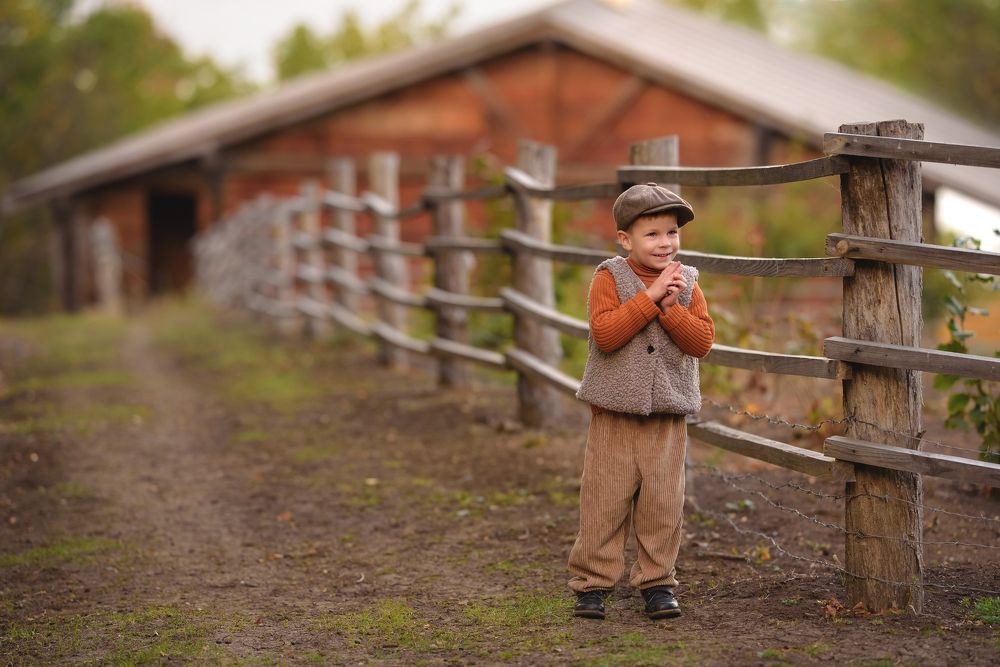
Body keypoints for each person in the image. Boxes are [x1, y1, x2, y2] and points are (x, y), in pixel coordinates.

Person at [569, 182, 715, 621]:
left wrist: (671, 308)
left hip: (667, 415)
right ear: (625, 239)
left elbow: (702, 342)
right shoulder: (608, 278)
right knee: (604, 501)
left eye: (672, 232)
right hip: (614, 413)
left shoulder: (688, 282)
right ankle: (592, 584)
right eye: (652, 234)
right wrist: (650, 299)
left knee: (662, 504)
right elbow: (608, 335)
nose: (664, 243)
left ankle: (656, 582)